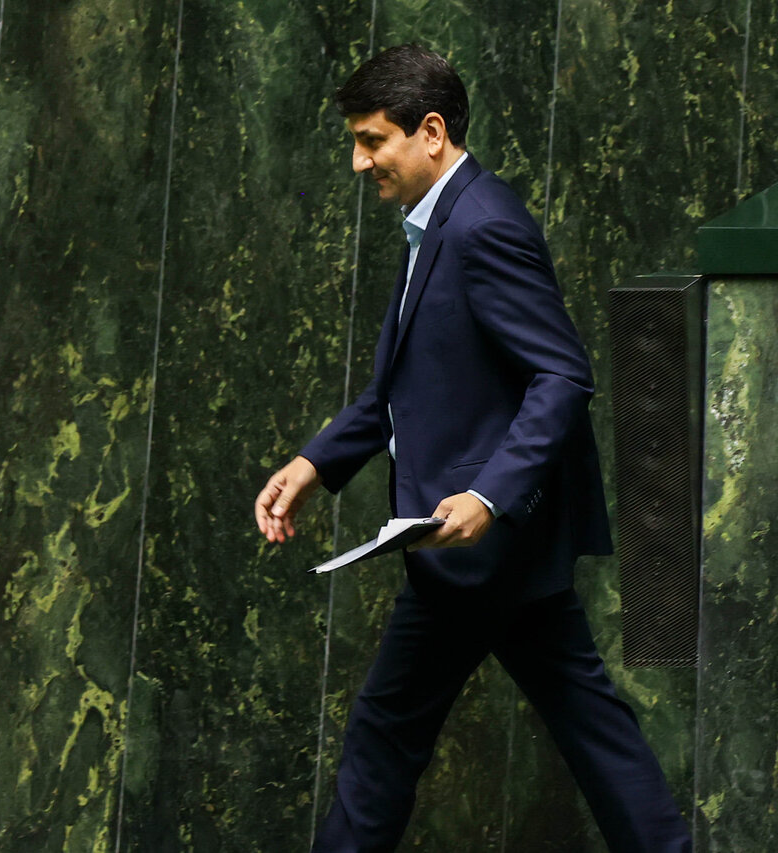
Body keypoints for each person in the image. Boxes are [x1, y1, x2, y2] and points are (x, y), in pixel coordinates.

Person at [254, 45, 692, 852]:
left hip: (475, 547)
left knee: (385, 736)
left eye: (371, 141)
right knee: (587, 726)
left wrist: (489, 496)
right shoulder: (440, 222)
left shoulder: (483, 225)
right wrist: (315, 463)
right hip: (491, 553)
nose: (358, 162)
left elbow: (562, 373)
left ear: (430, 132)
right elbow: (405, 387)